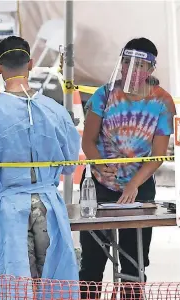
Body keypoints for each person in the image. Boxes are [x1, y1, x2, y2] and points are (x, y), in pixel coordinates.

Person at [0, 36, 80, 297]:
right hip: (49, 207)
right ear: (31, 64)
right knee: (55, 283)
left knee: (14, 285)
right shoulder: (55, 110)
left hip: (8, 211)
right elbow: (71, 163)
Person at [79, 37, 175, 299]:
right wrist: (99, 166)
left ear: (151, 70)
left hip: (140, 186)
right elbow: (88, 140)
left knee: (135, 261)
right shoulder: (104, 94)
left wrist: (135, 183)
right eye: (127, 63)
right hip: (99, 185)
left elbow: (158, 155)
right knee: (92, 262)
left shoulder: (162, 102)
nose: (132, 71)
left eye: (140, 66)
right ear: (120, 64)